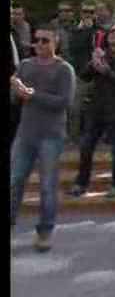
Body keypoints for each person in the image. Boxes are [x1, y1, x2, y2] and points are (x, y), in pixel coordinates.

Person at [10, 24, 76, 252]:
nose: (38, 44)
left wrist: (32, 94)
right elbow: (16, 97)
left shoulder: (64, 69)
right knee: (15, 182)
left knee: (47, 186)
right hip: (25, 133)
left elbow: (64, 102)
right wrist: (16, 91)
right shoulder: (26, 66)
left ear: (55, 43)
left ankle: (45, 231)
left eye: (44, 41)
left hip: (51, 136)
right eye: (36, 40)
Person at [68, 24, 115, 199]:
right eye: (112, 32)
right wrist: (93, 64)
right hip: (96, 109)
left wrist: (108, 72)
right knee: (86, 148)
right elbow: (84, 77)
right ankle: (81, 183)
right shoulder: (101, 54)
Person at [67, 1, 100, 144]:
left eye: (91, 12)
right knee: (75, 108)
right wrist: (86, 30)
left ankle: (94, 136)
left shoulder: (99, 30)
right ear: (81, 13)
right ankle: (73, 137)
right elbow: (75, 48)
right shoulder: (75, 30)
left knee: (97, 108)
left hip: (99, 74)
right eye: (85, 12)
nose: (88, 15)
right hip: (81, 75)